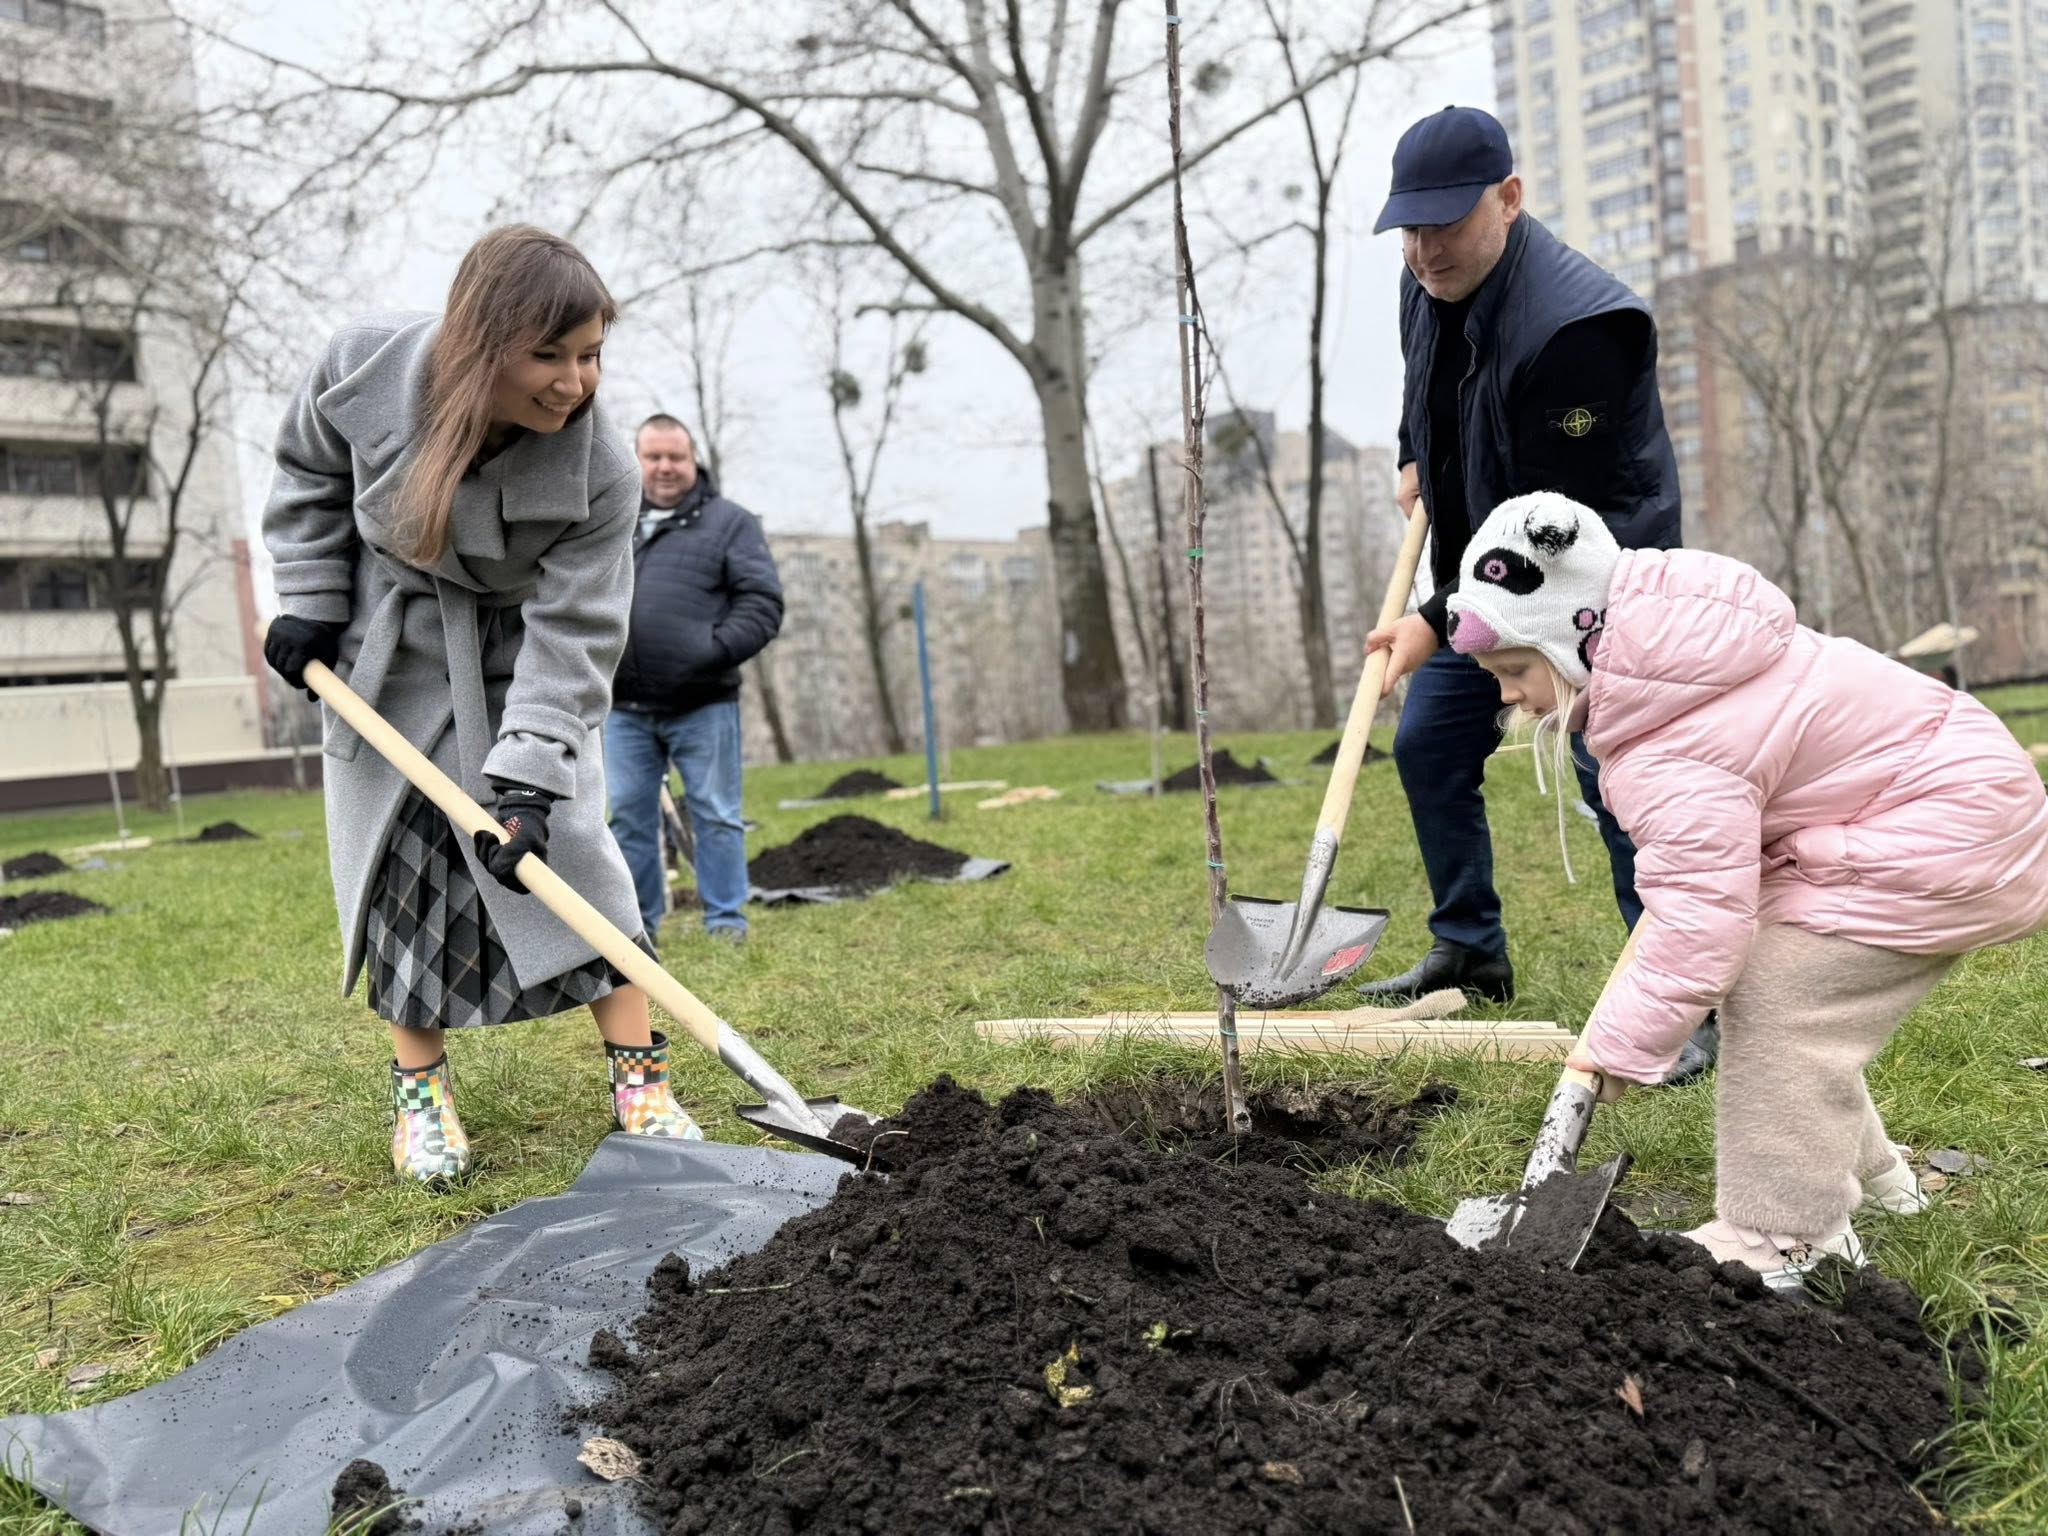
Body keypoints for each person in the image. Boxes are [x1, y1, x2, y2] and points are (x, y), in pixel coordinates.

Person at [1443, 490, 2048, 1285]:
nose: (1507, 696)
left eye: (1516, 670)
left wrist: (1623, 1043)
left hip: (1947, 832)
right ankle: (1876, 1179)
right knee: (1790, 997)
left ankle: (1788, 1234)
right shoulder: (1677, 667)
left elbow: (1701, 917)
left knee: (1780, 1000)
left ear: (1577, 640)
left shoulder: (1673, 740)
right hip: (1942, 805)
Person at [261, 226, 705, 1186]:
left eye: (590, 353)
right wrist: (308, 600)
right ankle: (420, 1104)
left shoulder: (602, 476)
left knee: (578, 872)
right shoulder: (363, 366)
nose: (573, 382)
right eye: (547, 354)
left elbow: (576, 632)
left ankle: (643, 1085)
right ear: (477, 344)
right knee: (401, 877)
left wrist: (533, 776)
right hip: (387, 662)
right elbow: (305, 472)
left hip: (516, 669)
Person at [1359, 106, 1717, 1081]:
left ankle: (1681, 1009)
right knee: (1428, 742)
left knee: (1617, 785)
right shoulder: (1423, 281)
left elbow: (1554, 522)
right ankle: (1468, 948)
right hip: (1483, 570)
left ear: (1508, 199)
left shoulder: (1578, 328)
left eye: (1445, 222)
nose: (1424, 248)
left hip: (1598, 581)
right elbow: (1426, 389)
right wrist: (1410, 455)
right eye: (1409, 226)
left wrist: (1434, 623)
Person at [604, 415, 783, 945]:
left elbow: (763, 602)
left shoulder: (731, 523)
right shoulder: (611, 518)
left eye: (675, 457)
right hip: (622, 705)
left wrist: (711, 650)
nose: (664, 467)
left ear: (693, 460)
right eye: (653, 456)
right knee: (630, 819)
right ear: (635, 459)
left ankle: (726, 921)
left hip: (703, 702)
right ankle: (639, 930)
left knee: (716, 813)